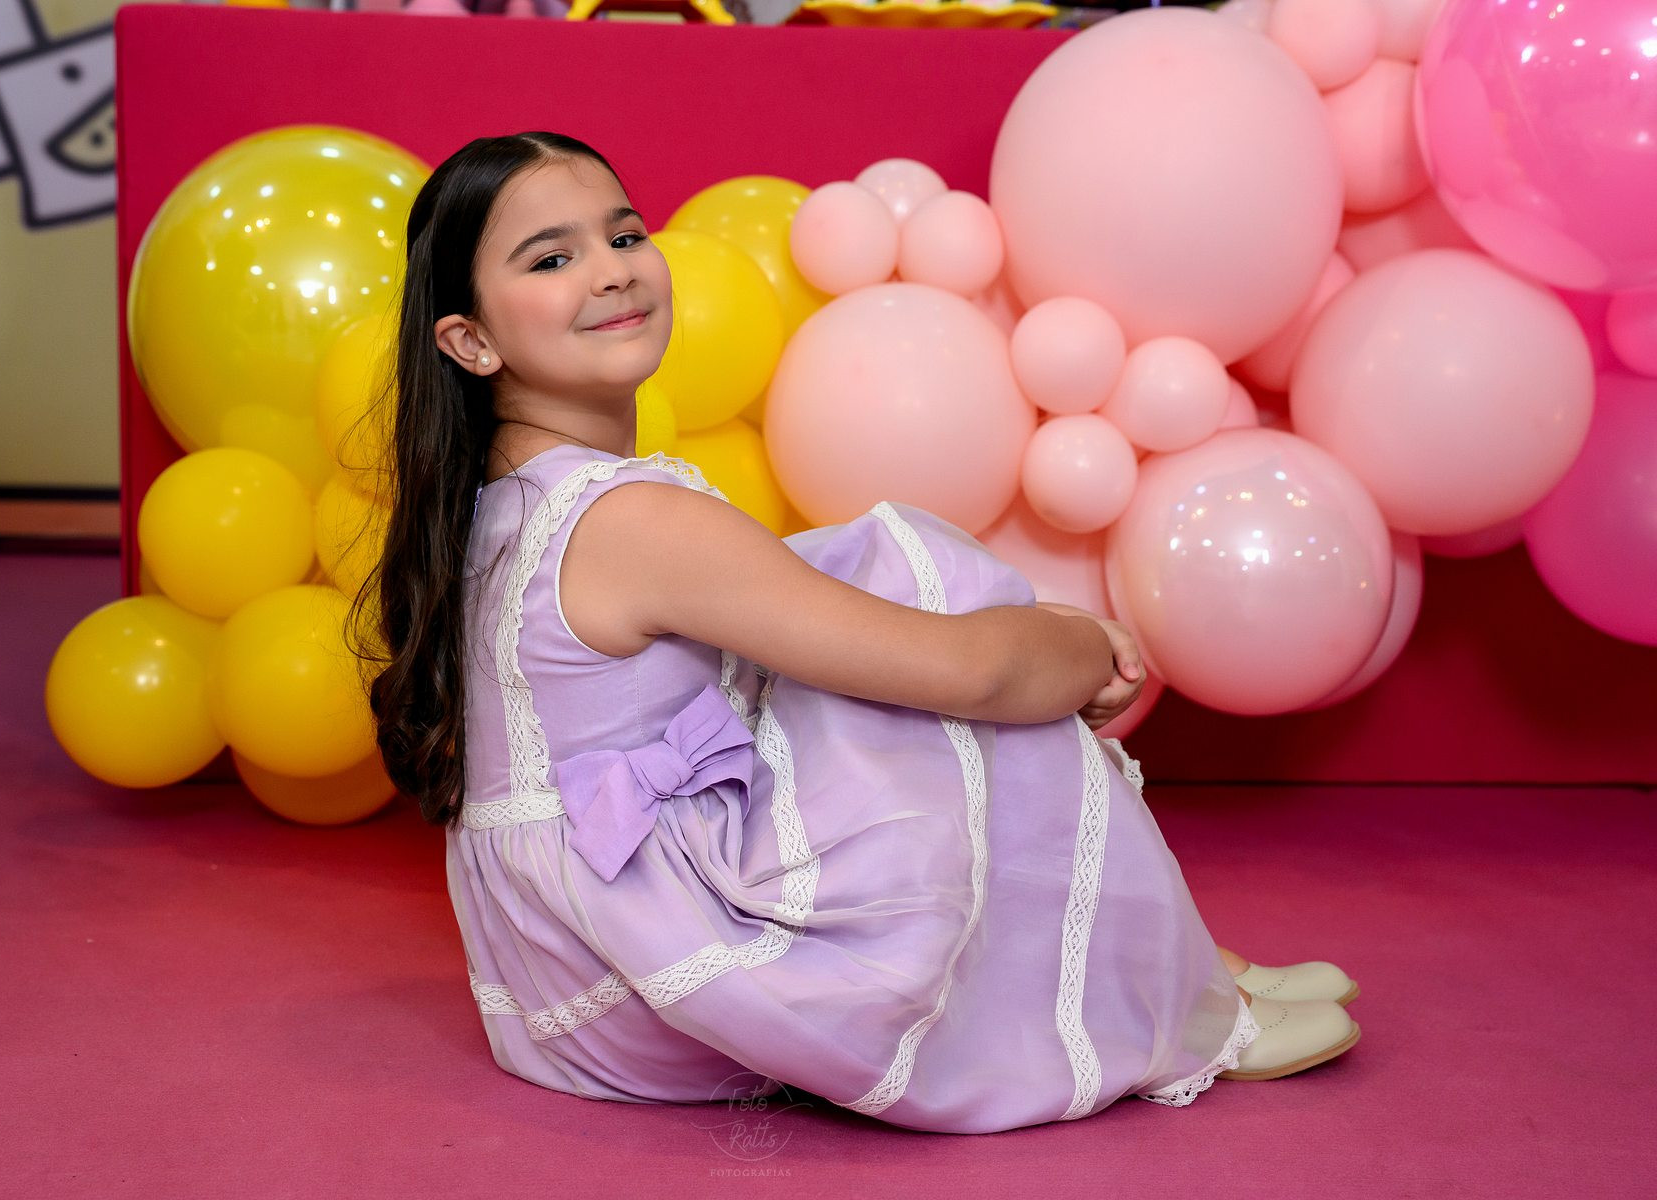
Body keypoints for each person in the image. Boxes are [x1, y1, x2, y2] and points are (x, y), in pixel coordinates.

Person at [355, 130, 1361, 1134]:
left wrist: (1023, 637)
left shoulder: (506, 501)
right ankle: (1174, 1007)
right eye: (552, 259)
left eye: (624, 235)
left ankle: (1191, 961)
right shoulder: (632, 521)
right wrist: (1083, 648)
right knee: (921, 623)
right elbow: (973, 675)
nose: (612, 271)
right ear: (472, 343)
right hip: (652, 974)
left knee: (852, 595)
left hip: (556, 985)